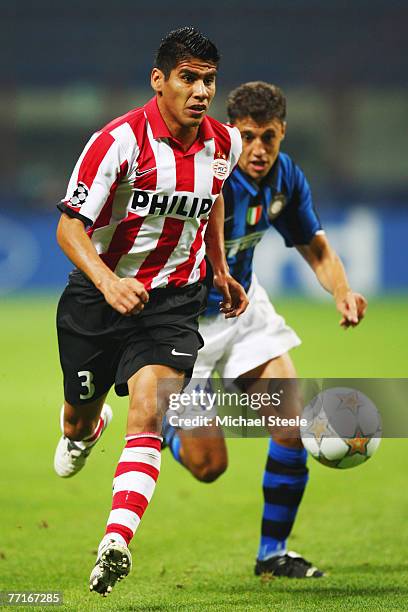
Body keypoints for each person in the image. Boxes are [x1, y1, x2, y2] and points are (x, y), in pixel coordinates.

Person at [53, 27, 248, 597]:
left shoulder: (223, 144)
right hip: (99, 297)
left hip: (172, 302)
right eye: (188, 78)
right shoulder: (117, 142)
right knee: (77, 419)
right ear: (158, 81)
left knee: (150, 407)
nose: (201, 91)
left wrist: (216, 266)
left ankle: (115, 541)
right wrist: (108, 281)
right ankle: (85, 428)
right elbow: (69, 226)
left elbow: (210, 200)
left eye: (208, 80)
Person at [164, 81, 367, 578]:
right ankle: (161, 420)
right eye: (249, 136)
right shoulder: (201, 174)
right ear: (230, 130)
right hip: (183, 324)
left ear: (282, 134)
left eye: (269, 138)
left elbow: (314, 246)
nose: (258, 150)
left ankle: (272, 553)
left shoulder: (286, 177)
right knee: (209, 467)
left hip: (245, 311)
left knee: (291, 422)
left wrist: (340, 290)